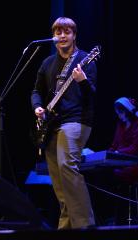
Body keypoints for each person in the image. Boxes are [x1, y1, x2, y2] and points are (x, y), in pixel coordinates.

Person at [31, 17, 97, 229]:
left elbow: (92, 96)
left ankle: (85, 224)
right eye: (58, 32)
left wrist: (83, 81)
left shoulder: (86, 59)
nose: (61, 36)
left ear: (74, 35)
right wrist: (37, 107)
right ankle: (66, 225)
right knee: (58, 179)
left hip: (76, 121)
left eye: (66, 32)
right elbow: (36, 91)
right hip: (51, 124)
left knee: (67, 167)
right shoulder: (48, 63)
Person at [109, 96, 138, 184]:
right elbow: (114, 145)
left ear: (127, 111)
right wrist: (107, 153)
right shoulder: (120, 125)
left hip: (134, 161)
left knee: (115, 173)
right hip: (119, 160)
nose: (119, 116)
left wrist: (118, 152)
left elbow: (136, 147)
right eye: (118, 114)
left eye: (120, 113)